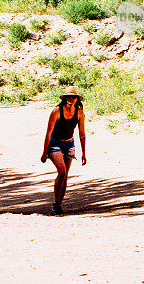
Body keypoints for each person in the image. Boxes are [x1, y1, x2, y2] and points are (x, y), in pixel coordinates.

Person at [40, 84, 87, 215]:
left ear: (77, 99)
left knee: (65, 175)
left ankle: (58, 204)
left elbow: (82, 134)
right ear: (65, 98)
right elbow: (48, 133)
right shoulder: (56, 111)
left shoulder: (79, 113)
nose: (71, 99)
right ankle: (56, 202)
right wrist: (44, 152)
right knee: (61, 171)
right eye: (69, 97)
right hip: (55, 143)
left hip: (69, 144)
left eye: (74, 97)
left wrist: (83, 153)